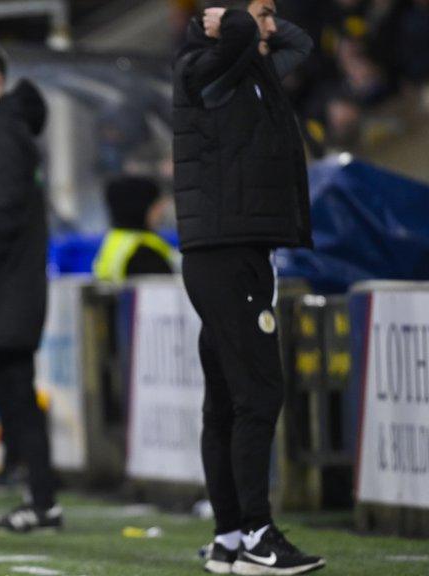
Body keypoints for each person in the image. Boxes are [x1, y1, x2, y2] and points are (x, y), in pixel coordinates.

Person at [173, 1, 325, 574]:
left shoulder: (248, 70)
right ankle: (258, 534)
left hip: (237, 252)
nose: (268, 23)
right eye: (259, 12)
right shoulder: (200, 69)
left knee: (227, 399)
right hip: (225, 255)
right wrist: (228, 21)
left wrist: (249, 19)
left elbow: (299, 45)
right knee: (259, 393)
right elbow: (241, 43)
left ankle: (232, 537)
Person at [0, 44, 61, 533]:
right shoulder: (10, 129)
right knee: (16, 400)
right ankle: (42, 500)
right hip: (15, 297)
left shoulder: (2, 131)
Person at [92, 176, 176, 282]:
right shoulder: (144, 252)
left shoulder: (115, 240)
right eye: (156, 205)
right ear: (142, 207)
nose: (161, 212)